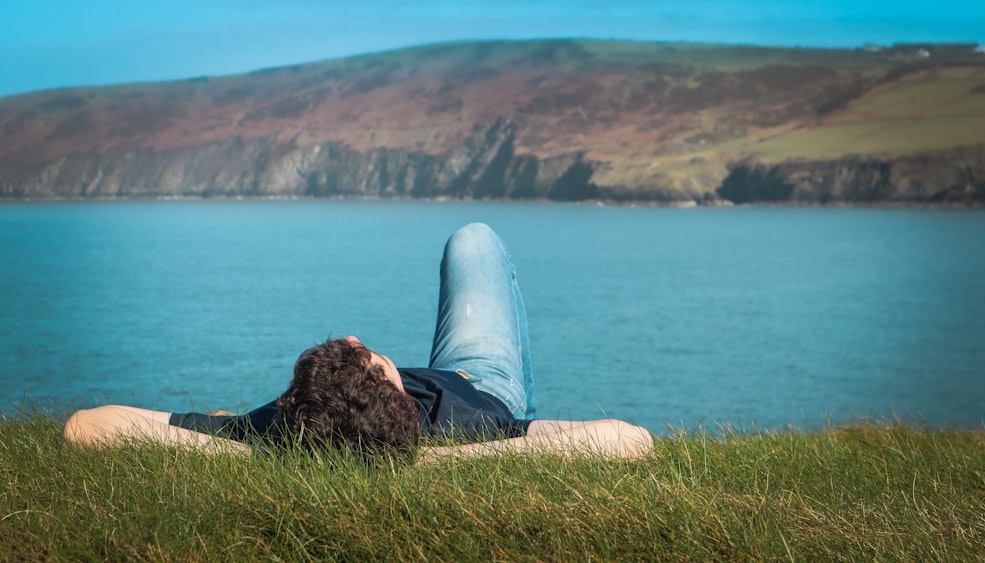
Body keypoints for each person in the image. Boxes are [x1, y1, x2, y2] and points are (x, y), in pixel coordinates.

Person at [64, 223, 653, 462]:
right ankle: (524, 396)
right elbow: (633, 443)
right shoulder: (470, 432)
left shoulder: (280, 428)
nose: (354, 338)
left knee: (469, 245)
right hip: (483, 383)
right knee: (474, 240)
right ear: (392, 389)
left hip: (351, 437)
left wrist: (259, 451)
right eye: (365, 357)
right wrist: (431, 464)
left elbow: (83, 427)